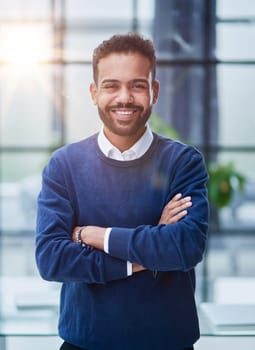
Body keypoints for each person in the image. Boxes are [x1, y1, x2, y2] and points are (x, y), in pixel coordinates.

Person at [36, 33, 209, 350]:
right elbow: (52, 259)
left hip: (168, 344)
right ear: (94, 93)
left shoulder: (184, 162)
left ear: (154, 91)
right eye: (111, 85)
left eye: (137, 85)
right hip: (85, 344)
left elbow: (186, 247)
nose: (124, 97)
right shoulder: (64, 165)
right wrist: (150, 248)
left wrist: (93, 235)